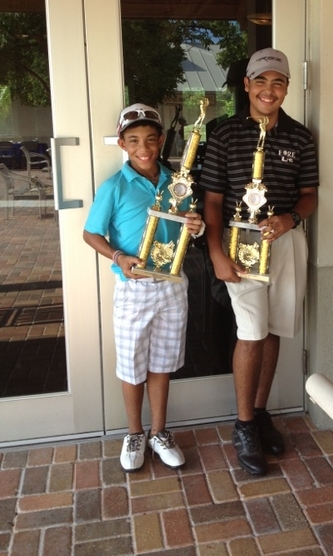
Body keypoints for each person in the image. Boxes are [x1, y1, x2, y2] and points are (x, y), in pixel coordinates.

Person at [199, 48, 319, 475]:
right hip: (239, 245)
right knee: (250, 332)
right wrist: (216, 253)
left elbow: (309, 194)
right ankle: (244, 424)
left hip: (284, 240)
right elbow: (211, 200)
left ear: (286, 88)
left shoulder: (300, 137)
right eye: (262, 81)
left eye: (279, 82)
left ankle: (261, 411)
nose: (270, 90)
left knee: (272, 332)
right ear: (247, 85)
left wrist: (291, 218)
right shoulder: (224, 134)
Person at [83, 103, 204, 472]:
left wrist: (194, 226)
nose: (144, 148)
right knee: (133, 363)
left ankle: (159, 431)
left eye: (151, 140)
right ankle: (134, 432)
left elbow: (185, 224)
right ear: (122, 143)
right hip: (134, 286)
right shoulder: (115, 186)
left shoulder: (176, 181)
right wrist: (119, 257)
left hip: (172, 284)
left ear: (162, 140)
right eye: (134, 140)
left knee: (162, 362)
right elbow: (90, 233)